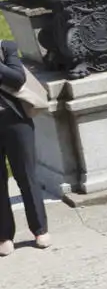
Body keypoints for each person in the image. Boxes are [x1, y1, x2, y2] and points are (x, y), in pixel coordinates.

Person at [1, 38, 50, 255]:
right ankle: (3, 236)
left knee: (26, 176)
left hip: (15, 121)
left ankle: (40, 229)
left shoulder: (6, 47)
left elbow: (17, 79)